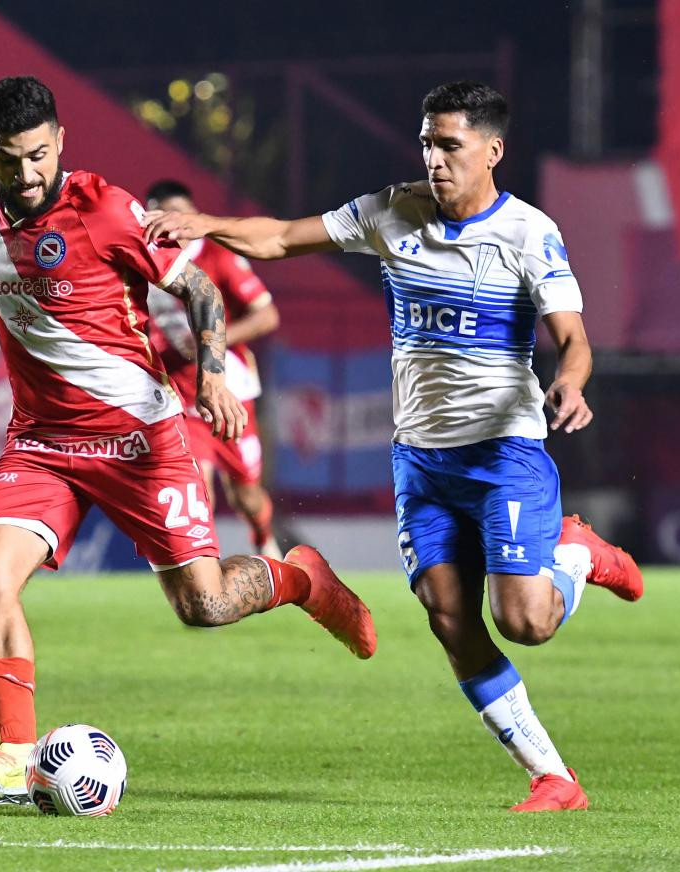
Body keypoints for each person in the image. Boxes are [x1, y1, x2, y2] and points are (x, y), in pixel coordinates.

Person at [0, 75, 377, 810]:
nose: (28, 173)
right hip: (42, 445)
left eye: (40, 155)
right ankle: (14, 751)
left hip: (140, 440)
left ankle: (301, 579)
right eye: (11, 160)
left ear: (61, 141)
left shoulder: (105, 209)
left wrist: (214, 377)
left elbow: (198, 289)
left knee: (202, 606)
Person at [146, 80, 644, 813]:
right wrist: (201, 224)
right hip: (422, 460)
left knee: (525, 621)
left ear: (492, 151)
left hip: (503, 452)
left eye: (450, 146)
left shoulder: (529, 233)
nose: (434, 160)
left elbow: (573, 339)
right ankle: (554, 778)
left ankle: (577, 553)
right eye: (426, 143)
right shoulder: (391, 210)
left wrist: (570, 383)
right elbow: (282, 236)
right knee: (448, 617)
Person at [144, 179, 282, 559]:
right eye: (161, 216)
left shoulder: (218, 258)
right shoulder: (141, 261)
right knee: (194, 487)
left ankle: (262, 535)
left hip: (228, 392)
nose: (171, 225)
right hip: (176, 395)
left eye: (179, 216)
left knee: (247, 496)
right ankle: (202, 572)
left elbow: (267, 315)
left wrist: (212, 338)